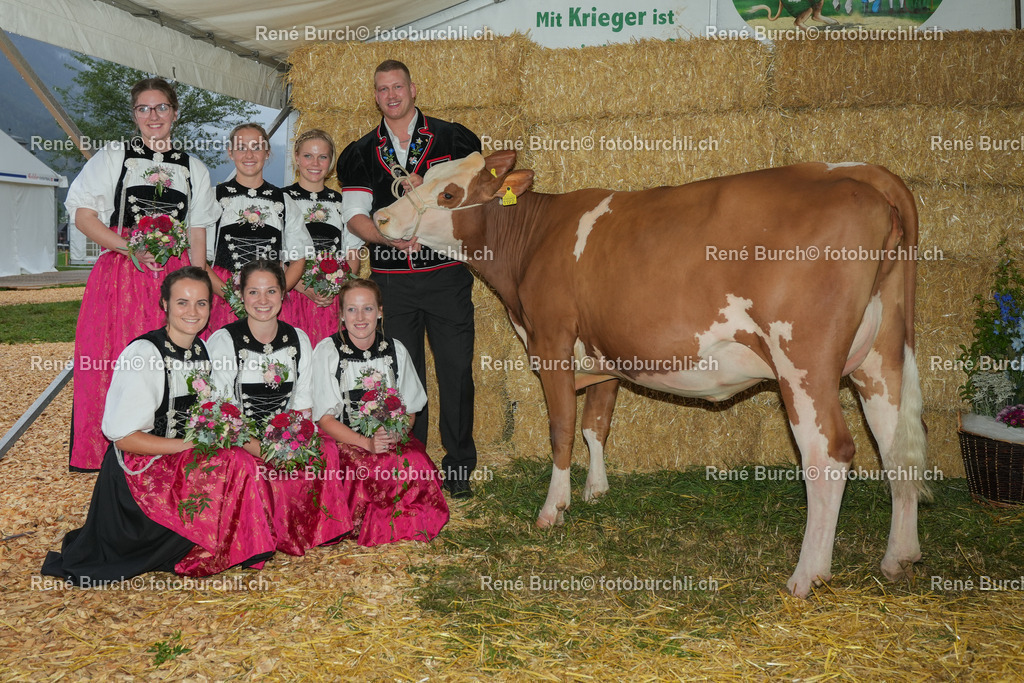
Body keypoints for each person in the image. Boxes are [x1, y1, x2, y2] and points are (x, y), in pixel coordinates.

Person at [42, 267, 277, 585]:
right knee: (234, 463)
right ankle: (209, 546)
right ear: (164, 304)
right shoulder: (145, 355)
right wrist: (189, 445)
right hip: (141, 471)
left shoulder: (200, 351)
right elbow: (124, 438)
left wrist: (261, 447)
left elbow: (219, 417)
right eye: (182, 302)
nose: (192, 312)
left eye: (201, 303)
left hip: (178, 460)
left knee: (247, 460)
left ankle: (233, 544)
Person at [337, 59, 481, 498]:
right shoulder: (360, 152)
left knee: (456, 372)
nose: (391, 95)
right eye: (382, 89)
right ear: (375, 95)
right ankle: (414, 466)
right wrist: (388, 240)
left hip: (446, 276)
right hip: (392, 282)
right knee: (403, 378)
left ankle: (458, 468)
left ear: (413, 89)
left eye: (397, 86)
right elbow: (354, 217)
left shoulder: (454, 137)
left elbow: (478, 201)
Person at [66, 77, 220, 471]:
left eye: (161, 108)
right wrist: (128, 246)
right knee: (113, 356)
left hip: (174, 275)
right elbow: (83, 215)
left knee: (171, 356)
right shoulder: (115, 155)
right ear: (134, 114)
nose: (153, 116)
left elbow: (198, 232)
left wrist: (198, 283)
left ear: (175, 113)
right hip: (121, 273)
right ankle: (110, 450)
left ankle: (169, 445)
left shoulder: (194, 168)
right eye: (144, 109)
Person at [206, 260, 352, 554]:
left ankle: (312, 529)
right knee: (245, 466)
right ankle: (256, 538)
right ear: (241, 295)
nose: (263, 301)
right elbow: (222, 413)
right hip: (240, 439)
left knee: (325, 449)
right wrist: (261, 449)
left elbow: (302, 403)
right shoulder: (223, 341)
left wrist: (291, 443)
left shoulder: (298, 338)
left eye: (271, 291)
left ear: (284, 294)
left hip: (286, 436)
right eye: (254, 292)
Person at [311, 278, 449, 545]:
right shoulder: (328, 352)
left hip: (387, 436)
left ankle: (411, 527)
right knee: (371, 467)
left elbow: (410, 409)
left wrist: (398, 433)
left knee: (414, 460)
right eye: (352, 309)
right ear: (340, 314)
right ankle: (374, 528)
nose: (360, 317)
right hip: (346, 440)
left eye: (368, 309)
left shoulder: (395, 350)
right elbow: (324, 419)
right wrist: (366, 443)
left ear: (381, 311)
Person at [205, 123, 312, 335]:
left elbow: (299, 258)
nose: (249, 154)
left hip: (270, 304)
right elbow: (199, 259)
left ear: (267, 152)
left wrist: (276, 292)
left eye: (256, 146)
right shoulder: (213, 197)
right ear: (230, 152)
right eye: (241, 147)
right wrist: (231, 295)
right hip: (224, 298)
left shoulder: (283, 201)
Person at [284, 129, 363, 345]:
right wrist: (303, 287)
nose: (315, 163)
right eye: (308, 156)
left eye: (323, 157)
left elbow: (351, 253)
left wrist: (336, 288)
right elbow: (274, 254)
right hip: (292, 293)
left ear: (331, 162)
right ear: (297, 158)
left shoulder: (342, 204)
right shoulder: (280, 199)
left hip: (332, 298)